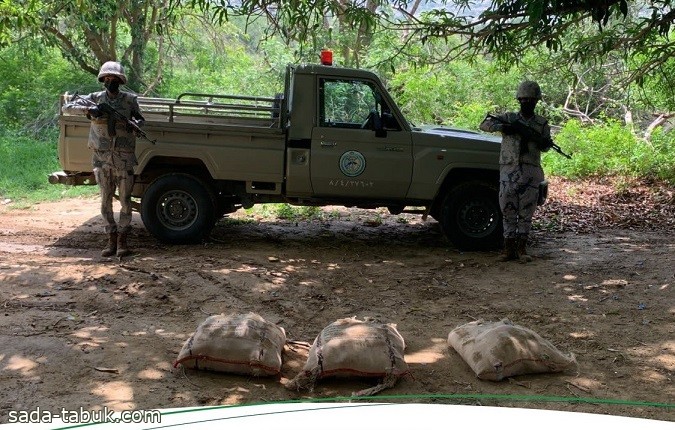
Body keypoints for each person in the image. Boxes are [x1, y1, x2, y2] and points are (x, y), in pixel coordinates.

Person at [62, 61, 145, 258]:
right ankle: (111, 239)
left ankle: (123, 241)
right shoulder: (94, 98)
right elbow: (68, 107)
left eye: (114, 78)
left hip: (124, 158)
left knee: (125, 200)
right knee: (105, 200)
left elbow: (141, 119)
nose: (110, 81)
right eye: (106, 78)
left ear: (120, 80)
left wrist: (135, 124)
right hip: (101, 157)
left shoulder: (129, 100)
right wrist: (90, 111)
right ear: (102, 80)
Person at [479, 80, 552, 263]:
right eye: (523, 99)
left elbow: (545, 146)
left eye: (531, 100)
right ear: (519, 100)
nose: (527, 103)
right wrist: (504, 127)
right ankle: (508, 250)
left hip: (530, 170)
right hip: (508, 170)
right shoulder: (509, 118)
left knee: (526, 211)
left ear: (536, 101)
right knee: (507, 209)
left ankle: (522, 250)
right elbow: (485, 124)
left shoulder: (541, 123)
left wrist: (544, 143)